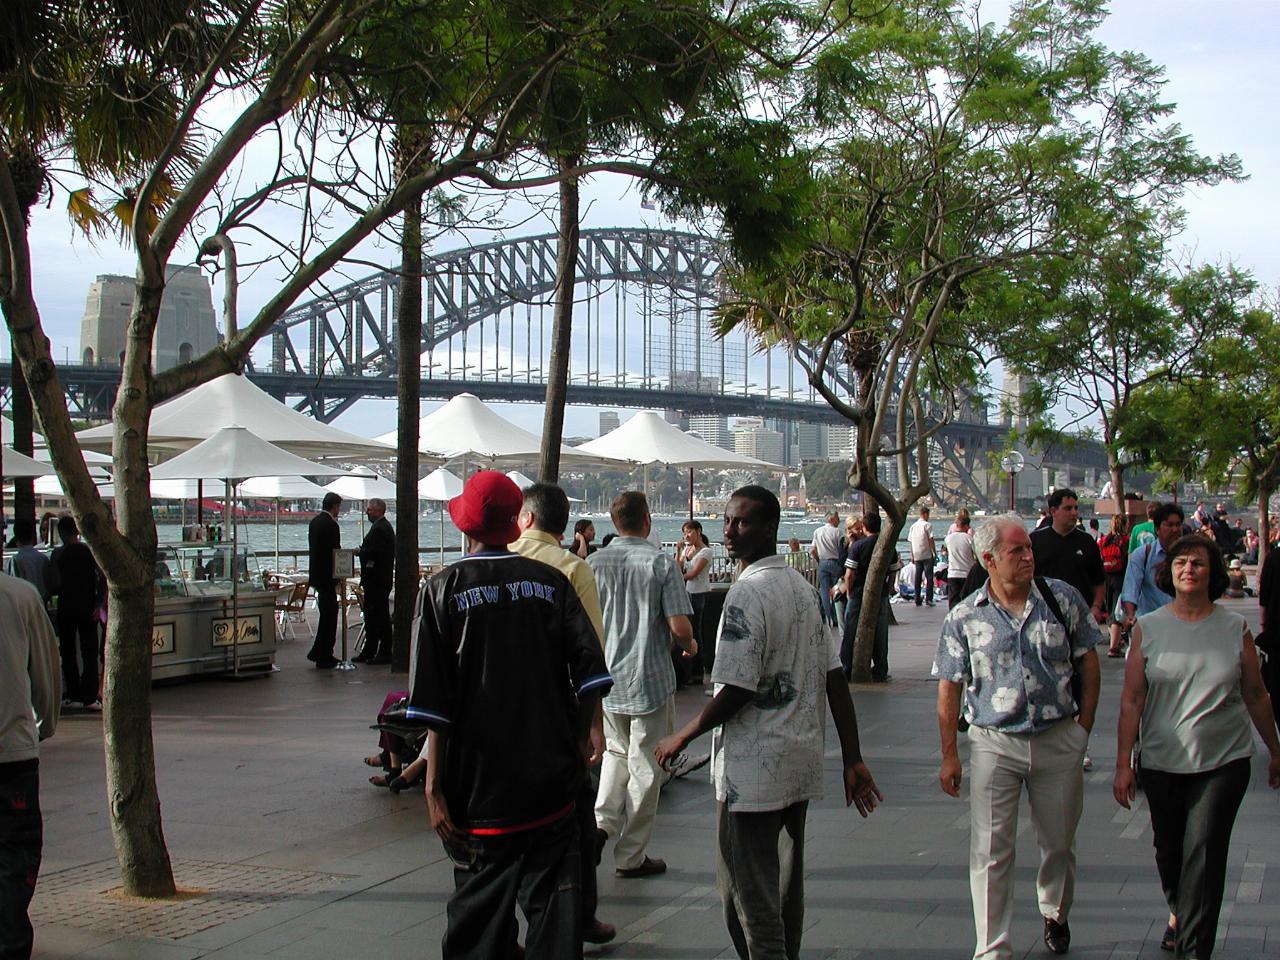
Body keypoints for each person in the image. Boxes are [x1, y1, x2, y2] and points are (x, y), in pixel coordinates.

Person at [654, 485, 882, 960]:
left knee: (745, 894)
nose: (730, 531)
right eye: (728, 521)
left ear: (770, 529)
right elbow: (833, 681)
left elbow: (738, 687)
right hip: (798, 762)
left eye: (743, 522)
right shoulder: (801, 590)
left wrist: (684, 733)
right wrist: (852, 757)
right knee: (784, 889)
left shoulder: (745, 594)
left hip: (753, 773)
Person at [409, 471, 612, 960]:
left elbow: (432, 706)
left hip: (478, 793)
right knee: (556, 923)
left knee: (477, 927)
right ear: (513, 523)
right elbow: (590, 674)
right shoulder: (553, 583)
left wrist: (434, 786)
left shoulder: (442, 590)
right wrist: (576, 737)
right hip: (550, 786)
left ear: (467, 526)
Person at [934, 515, 1101, 960]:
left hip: (1058, 737)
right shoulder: (964, 618)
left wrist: (1083, 729)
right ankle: (992, 947)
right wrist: (950, 755)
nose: (1029, 556)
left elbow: (1088, 663)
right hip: (993, 741)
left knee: (1059, 843)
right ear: (988, 560)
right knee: (990, 850)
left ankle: (1055, 911)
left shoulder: (1061, 599)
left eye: (1029, 548)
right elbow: (949, 688)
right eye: (1017, 551)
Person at [1113, 534, 1280, 960]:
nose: (1189, 569)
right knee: (1170, 853)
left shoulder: (1234, 628)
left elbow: (1256, 694)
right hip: (1162, 760)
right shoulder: (1149, 629)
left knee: (1204, 852)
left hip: (1223, 760)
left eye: (1199, 563)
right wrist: (1122, 764)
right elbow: (1132, 699)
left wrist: (1275, 750)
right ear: (1169, 573)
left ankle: (1193, 948)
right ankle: (1183, 911)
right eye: (1181, 562)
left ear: (1213, 573)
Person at [509, 481, 616, 946]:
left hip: (502, 717)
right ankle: (581, 915)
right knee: (577, 823)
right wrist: (592, 725)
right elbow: (591, 652)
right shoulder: (573, 569)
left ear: (526, 518)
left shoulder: (492, 563)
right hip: (557, 716)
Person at [588, 491, 694, 878]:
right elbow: (679, 627)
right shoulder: (660, 563)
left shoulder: (594, 563)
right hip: (649, 677)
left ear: (615, 522)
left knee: (616, 754)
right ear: (647, 520)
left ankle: (601, 825)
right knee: (647, 764)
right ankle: (630, 853)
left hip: (607, 678)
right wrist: (691, 645)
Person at [1, 568, 60, 960]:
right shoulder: (20, 597)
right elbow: (46, 675)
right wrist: (44, 722)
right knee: (14, 859)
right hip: (13, 754)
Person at [51, 516, 104, 709]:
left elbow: (55, 583)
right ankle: (90, 696)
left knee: (68, 651)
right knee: (89, 651)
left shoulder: (58, 554)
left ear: (62, 532)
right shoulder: (89, 551)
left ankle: (73, 694)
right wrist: (98, 604)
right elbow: (102, 576)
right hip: (88, 606)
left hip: (66, 607)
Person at [840, 511, 893, 682]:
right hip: (881, 595)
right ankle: (880, 670)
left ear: (864, 526)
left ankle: (846, 668)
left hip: (857, 593)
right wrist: (888, 589)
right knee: (881, 633)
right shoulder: (888, 545)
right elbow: (893, 572)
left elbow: (849, 574)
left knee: (850, 631)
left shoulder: (858, 546)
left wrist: (848, 592)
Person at [1121, 503, 1186, 629]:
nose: (1175, 529)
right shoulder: (1142, 555)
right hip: (1150, 626)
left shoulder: (1189, 555)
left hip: (1182, 625)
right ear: (1157, 529)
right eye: (1169, 525)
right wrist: (1130, 616)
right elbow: (1130, 589)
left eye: (1178, 525)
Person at [353, 498, 395, 664]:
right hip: (380, 579)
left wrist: (360, 551)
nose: (366, 512)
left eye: (369, 509)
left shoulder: (379, 529)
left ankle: (381, 651)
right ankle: (370, 650)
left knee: (378, 616)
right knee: (375, 616)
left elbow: (374, 553)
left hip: (377, 579)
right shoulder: (383, 527)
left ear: (378, 510)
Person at [306, 492, 343, 669]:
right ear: (334, 506)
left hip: (317, 575)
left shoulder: (314, 523)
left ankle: (319, 651)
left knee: (326, 613)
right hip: (328, 576)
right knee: (330, 615)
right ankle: (324, 652)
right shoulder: (331, 525)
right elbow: (336, 552)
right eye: (338, 507)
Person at [677, 520, 714, 684]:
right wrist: (679, 551)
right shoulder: (687, 549)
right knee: (689, 631)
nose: (687, 535)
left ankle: (698, 671)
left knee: (696, 632)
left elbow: (693, 574)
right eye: (685, 532)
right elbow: (679, 567)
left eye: (689, 532)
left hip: (699, 593)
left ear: (698, 532)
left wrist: (678, 578)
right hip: (688, 593)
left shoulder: (706, 552)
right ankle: (689, 671)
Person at [3, 519, 56, 606]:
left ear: (16, 538)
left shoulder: (15, 560)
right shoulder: (43, 558)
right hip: (42, 603)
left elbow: (14, 586)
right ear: (32, 536)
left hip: (24, 604)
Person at [1100, 516, 1129, 657]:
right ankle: (1114, 647)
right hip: (1120, 578)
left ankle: (1114, 640)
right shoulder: (1125, 541)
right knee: (1117, 612)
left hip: (1107, 578)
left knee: (1111, 610)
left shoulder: (1105, 540)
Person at [808, 511, 843, 626]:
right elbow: (842, 549)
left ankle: (827, 617)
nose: (839, 520)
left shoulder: (817, 531)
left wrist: (819, 560)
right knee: (836, 590)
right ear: (832, 519)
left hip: (822, 562)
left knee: (824, 591)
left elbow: (812, 550)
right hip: (835, 562)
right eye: (838, 518)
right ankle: (836, 617)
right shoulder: (838, 532)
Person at [944, 511, 977, 610]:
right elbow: (975, 554)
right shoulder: (969, 539)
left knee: (953, 601)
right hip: (967, 574)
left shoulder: (948, 539)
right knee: (967, 601)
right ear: (967, 526)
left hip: (953, 574)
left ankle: (953, 620)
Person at [908, 506, 937, 606]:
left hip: (916, 554)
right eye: (928, 514)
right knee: (929, 577)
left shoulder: (913, 526)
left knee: (918, 577)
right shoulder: (927, 525)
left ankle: (917, 598)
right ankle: (929, 599)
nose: (928, 516)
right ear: (925, 514)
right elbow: (930, 539)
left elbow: (910, 542)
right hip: (926, 554)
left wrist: (912, 554)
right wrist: (934, 552)